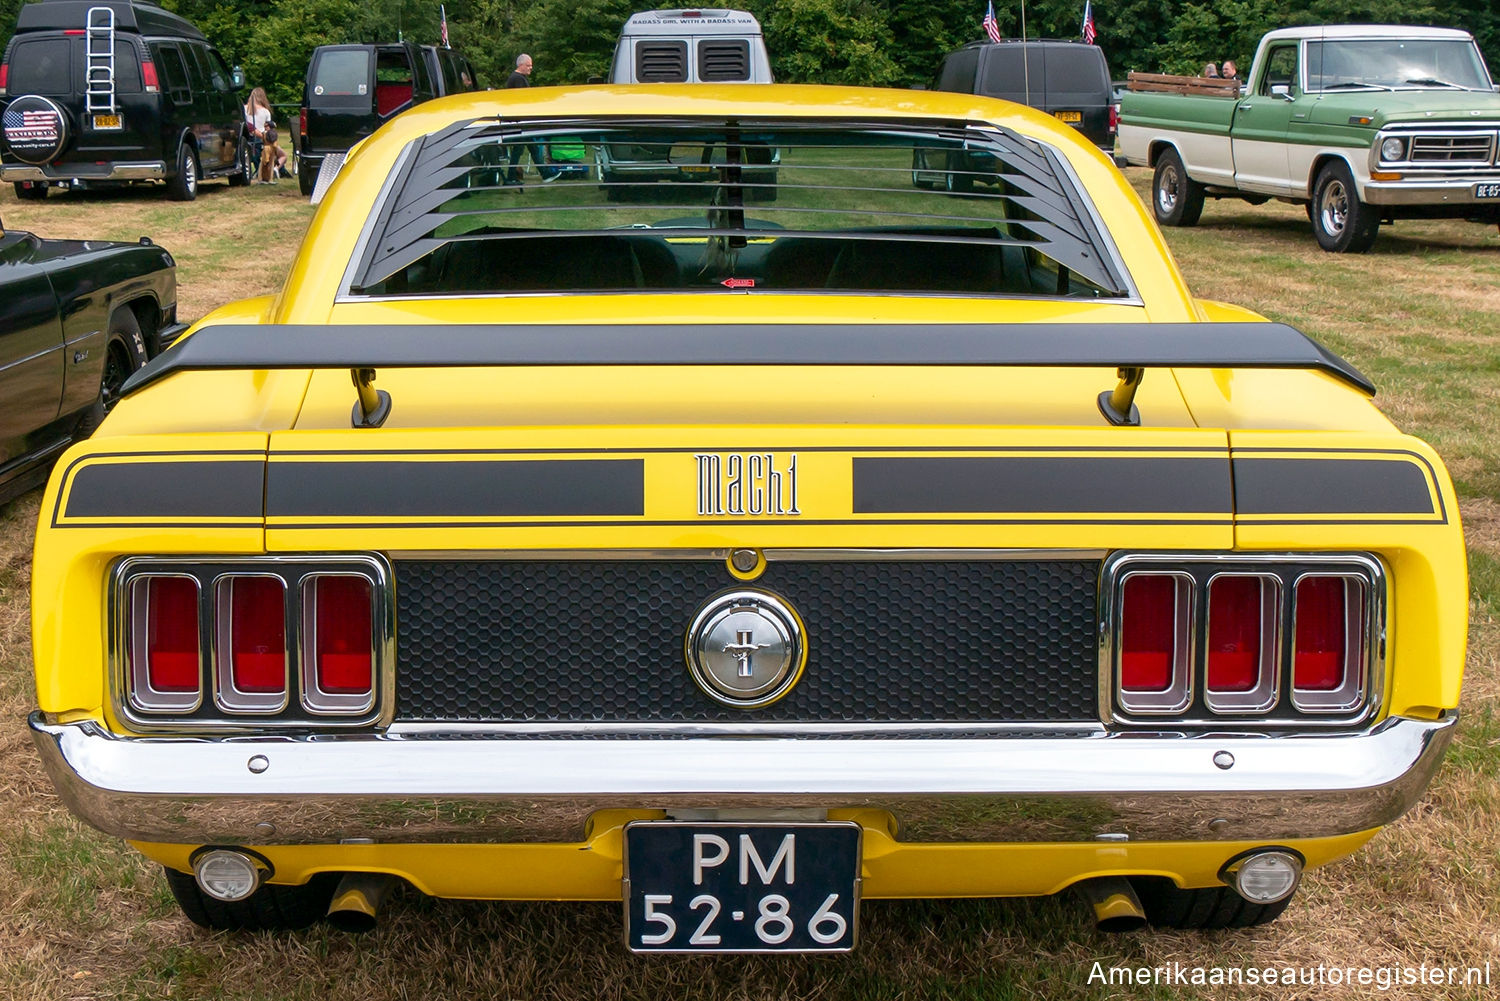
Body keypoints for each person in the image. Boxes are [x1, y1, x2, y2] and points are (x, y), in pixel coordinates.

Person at [504, 54, 559, 187]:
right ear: (521, 65)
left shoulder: (518, 78)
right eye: (528, 65)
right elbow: (523, 101)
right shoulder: (518, 79)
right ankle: (512, 177)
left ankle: (544, 174)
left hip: (519, 121)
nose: (531, 68)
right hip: (519, 121)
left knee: (531, 147)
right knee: (519, 150)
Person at [244, 87, 270, 182]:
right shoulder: (265, 111)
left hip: (247, 138)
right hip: (261, 139)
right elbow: (268, 128)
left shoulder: (244, 109)